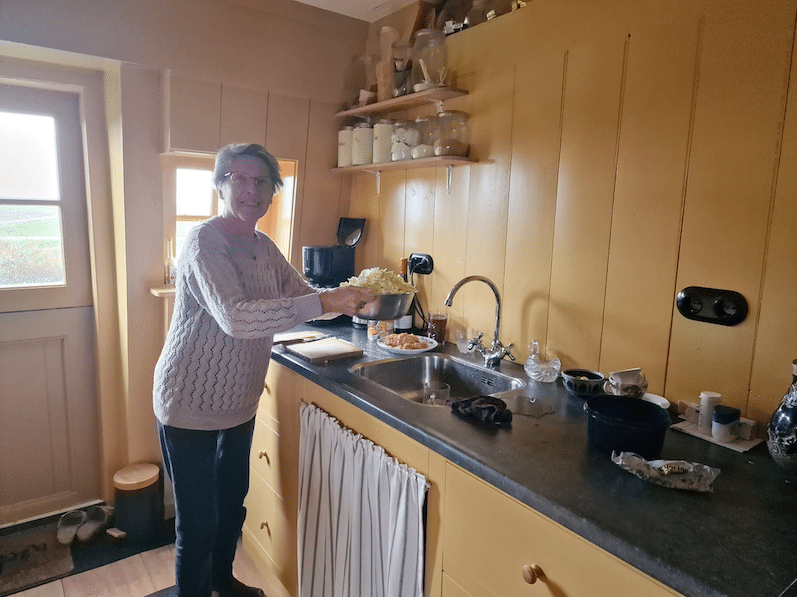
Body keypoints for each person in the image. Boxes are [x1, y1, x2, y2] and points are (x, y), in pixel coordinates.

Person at [152, 143, 373, 597]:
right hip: (189, 402)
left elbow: (304, 296)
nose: (251, 190)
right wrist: (327, 301)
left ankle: (222, 583)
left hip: (239, 404)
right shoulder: (204, 242)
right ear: (220, 185)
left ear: (274, 191)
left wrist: (359, 297)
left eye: (262, 181)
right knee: (198, 523)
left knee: (232, 507)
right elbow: (237, 317)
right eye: (239, 178)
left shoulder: (264, 247)